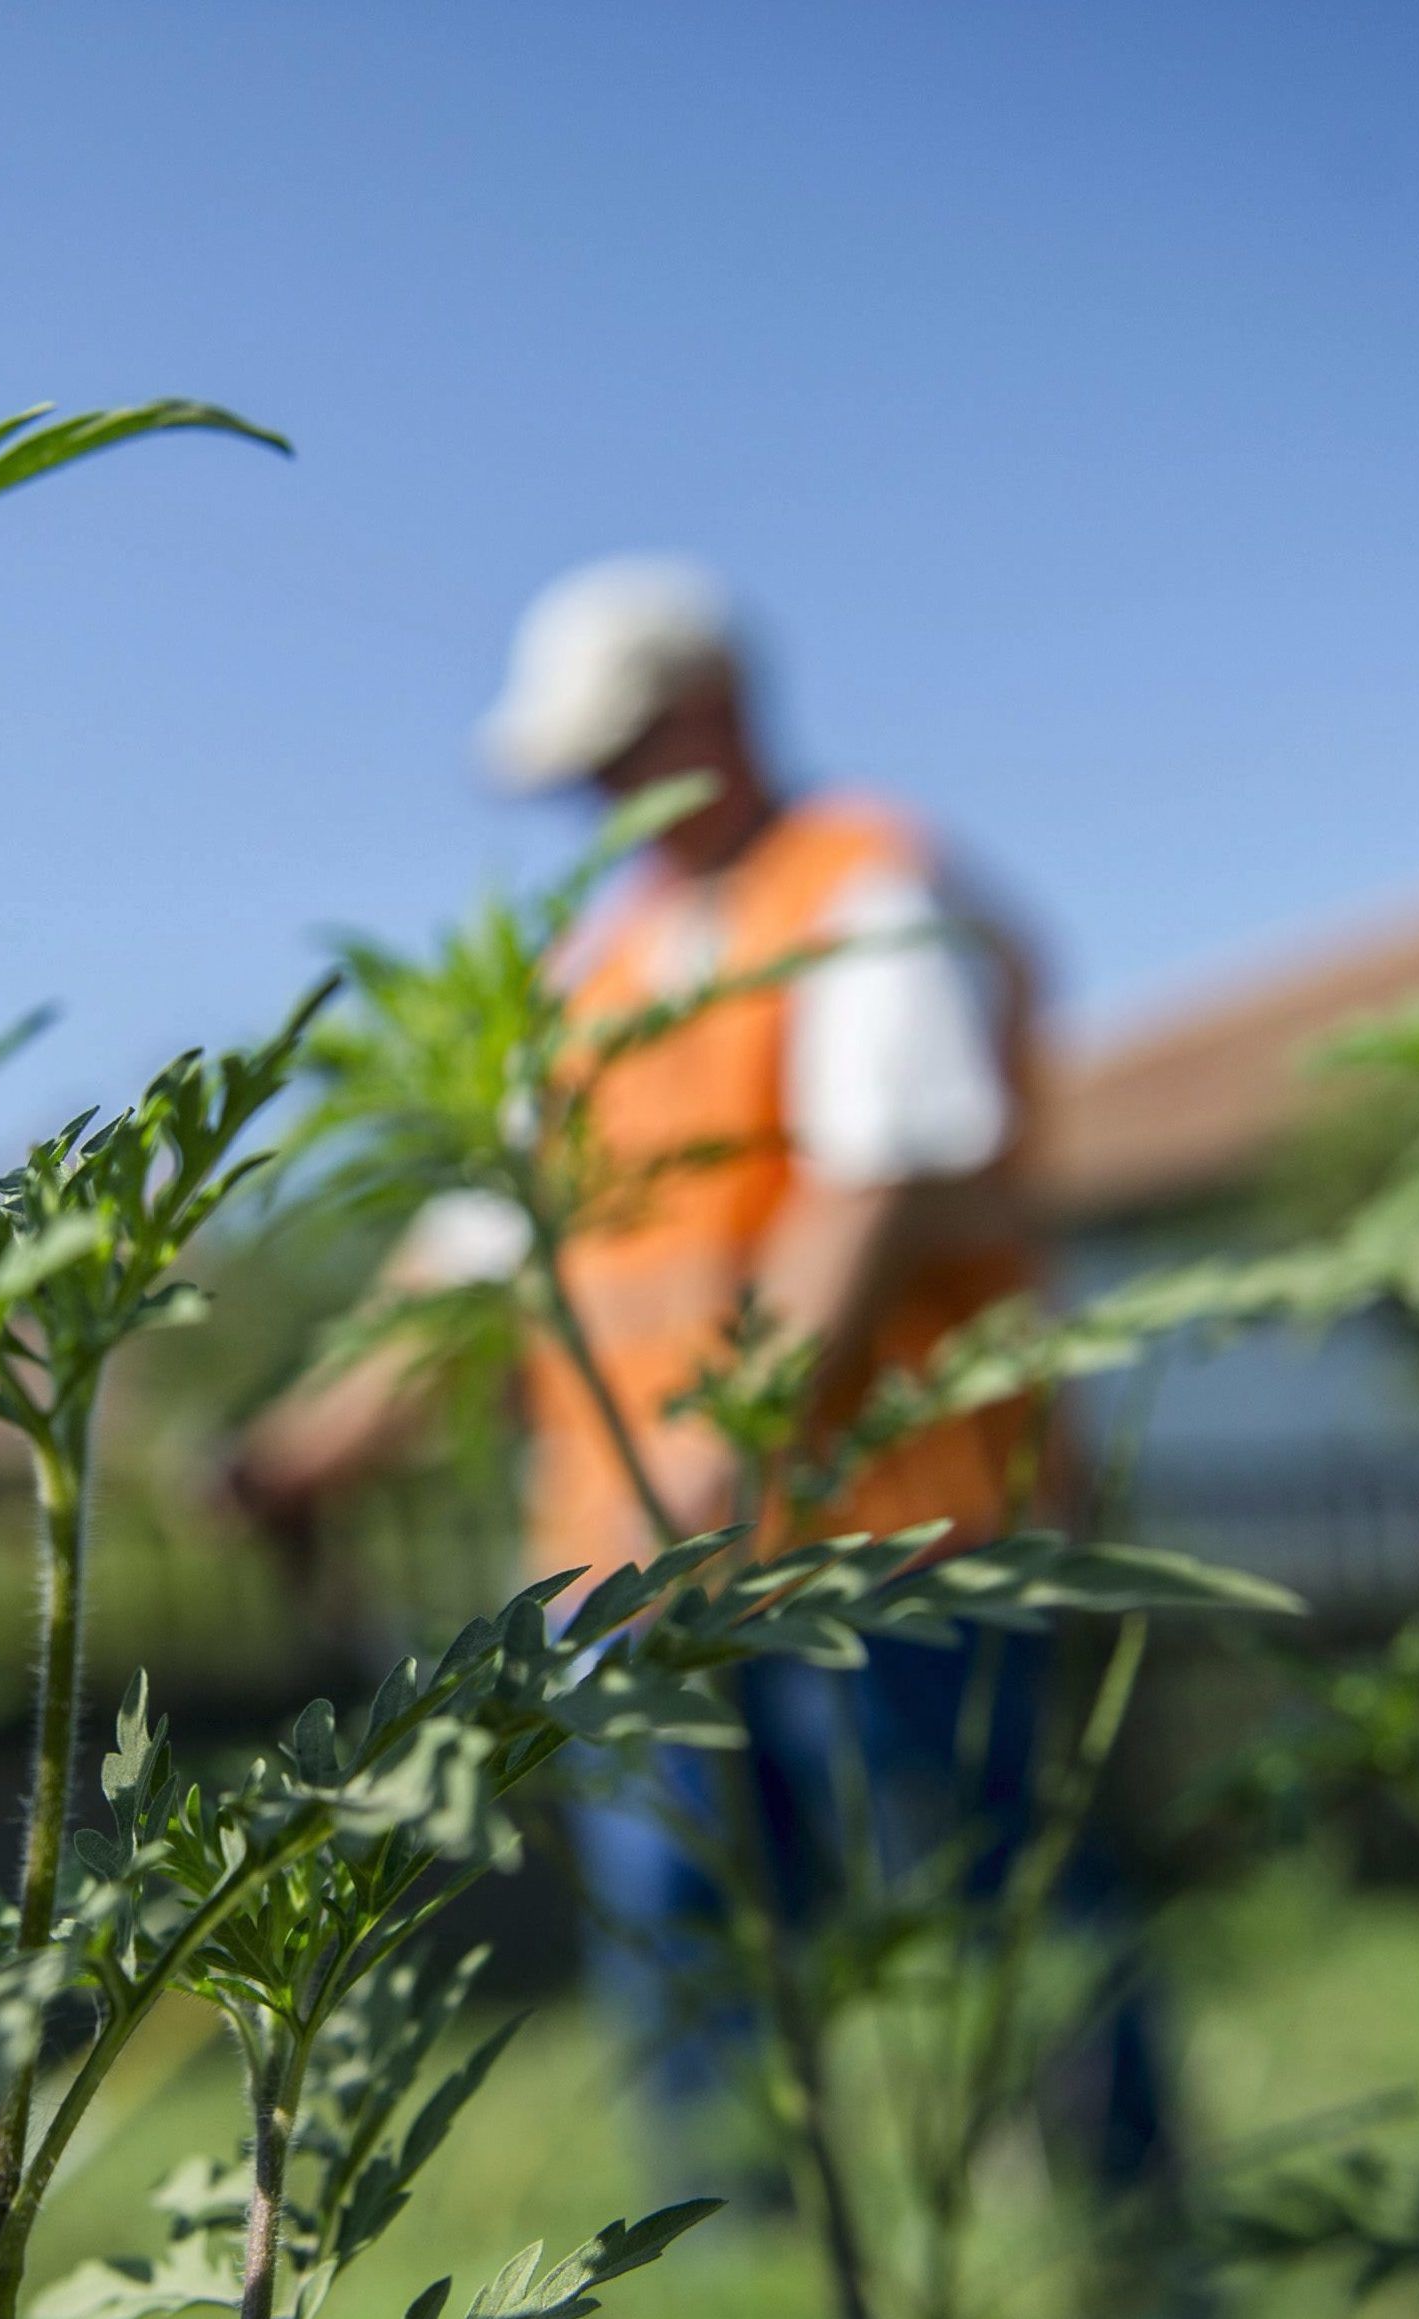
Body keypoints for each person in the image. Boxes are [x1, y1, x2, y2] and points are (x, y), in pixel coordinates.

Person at [232, 553, 1179, 2205]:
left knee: (990, 1925)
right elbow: (479, 1254)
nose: (596, 793)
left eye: (617, 747)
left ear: (714, 709)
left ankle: (1126, 2260)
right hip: (625, 1572)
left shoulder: (863, 886)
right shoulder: (584, 978)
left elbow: (872, 1177)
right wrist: (310, 1449)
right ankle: (744, 2274)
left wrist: (717, 1449)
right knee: (689, 1972)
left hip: (888, 1540)